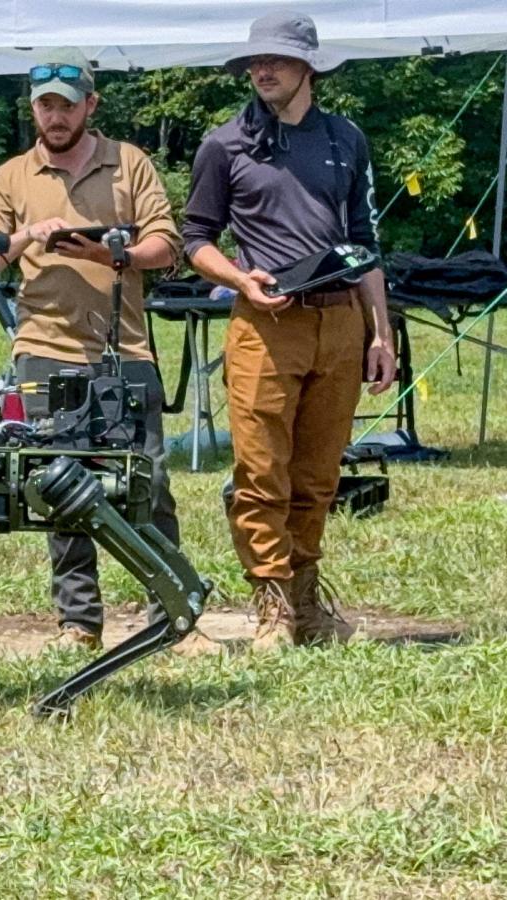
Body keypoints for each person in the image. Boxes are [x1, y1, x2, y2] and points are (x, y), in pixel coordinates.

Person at [0, 49, 222, 656]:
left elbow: (168, 245)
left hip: (124, 346)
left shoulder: (128, 162)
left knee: (148, 481)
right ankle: (78, 622)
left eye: (66, 105)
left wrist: (109, 254)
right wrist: (25, 236)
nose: (55, 117)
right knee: (59, 484)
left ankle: (173, 614)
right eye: (44, 106)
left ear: (90, 105)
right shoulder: (12, 176)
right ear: (33, 109)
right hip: (44, 348)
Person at [182, 12, 396, 649]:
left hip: (341, 320)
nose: (262, 70)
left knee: (319, 473)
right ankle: (272, 601)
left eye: (275, 61)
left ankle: (307, 604)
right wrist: (242, 280)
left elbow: (365, 243)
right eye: (255, 62)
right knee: (261, 470)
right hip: (266, 324)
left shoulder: (346, 138)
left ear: (309, 67)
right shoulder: (225, 144)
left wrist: (379, 334)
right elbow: (195, 239)